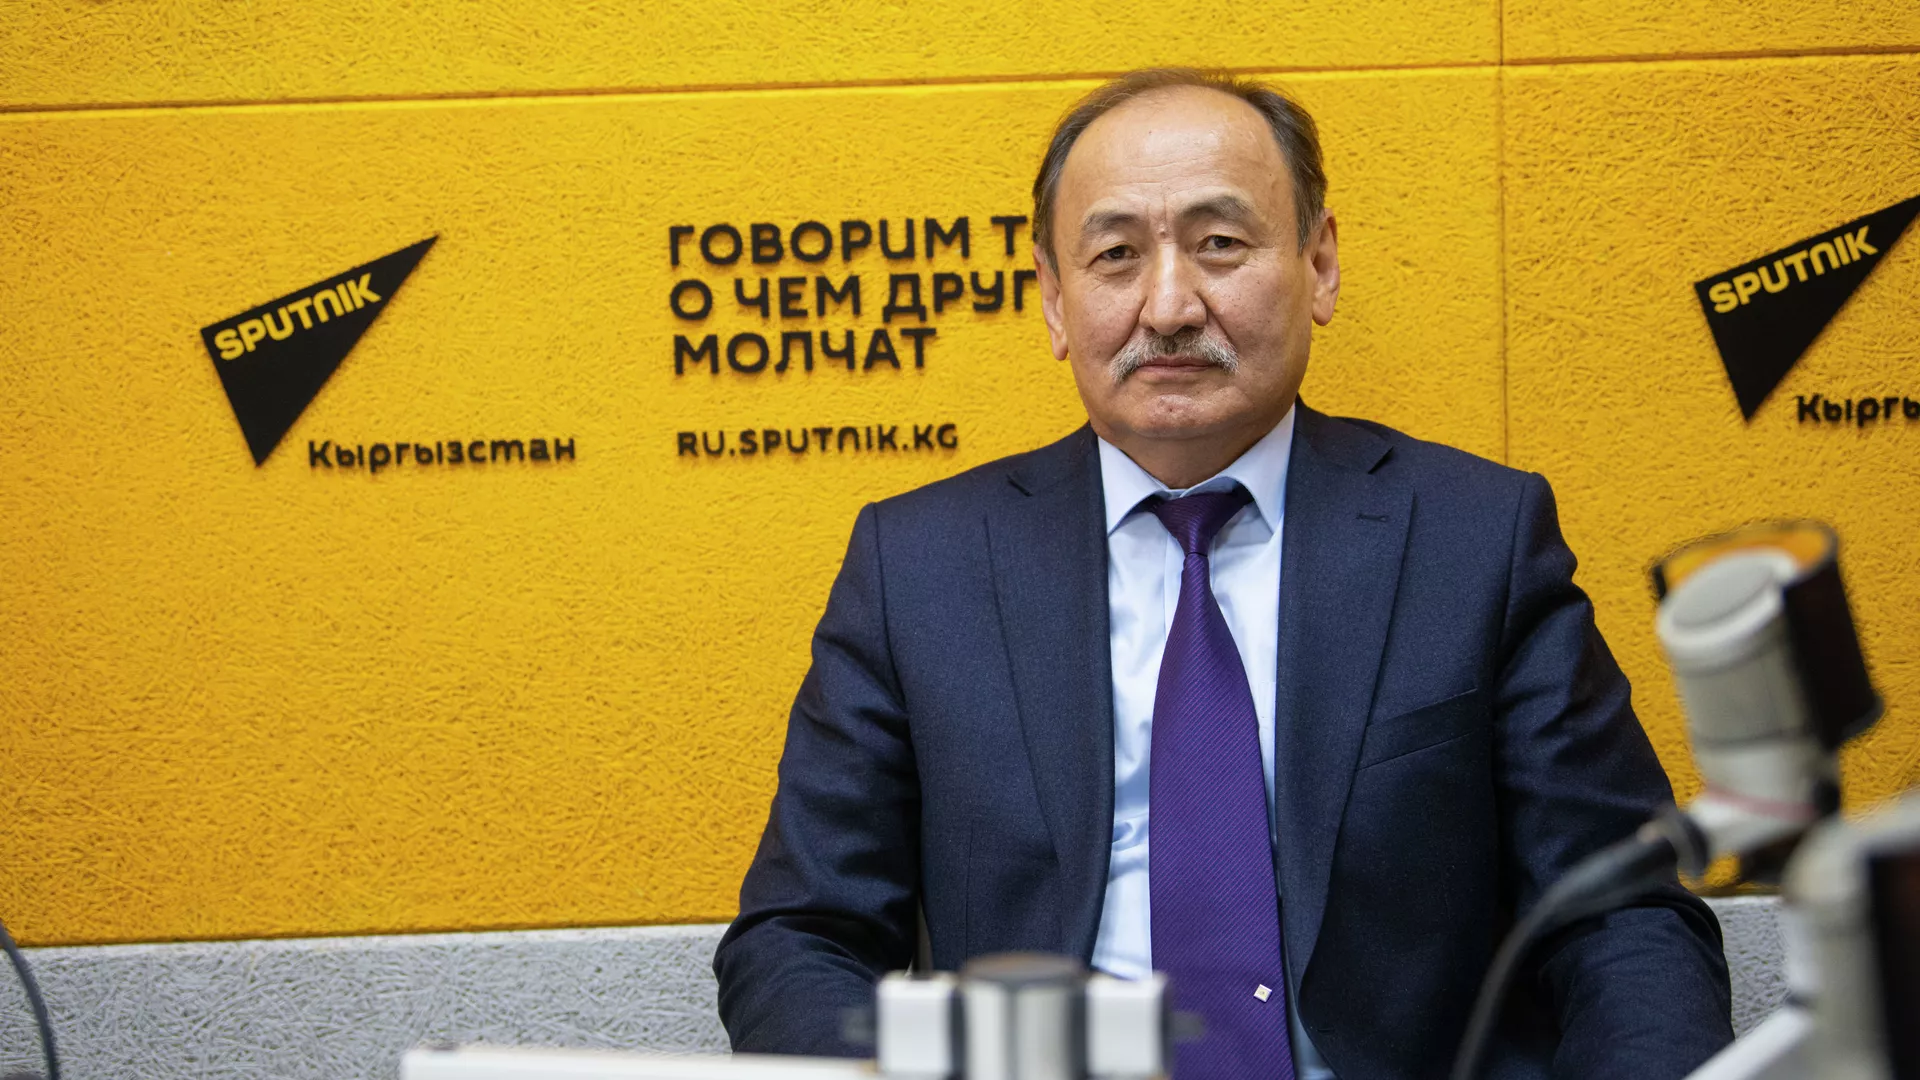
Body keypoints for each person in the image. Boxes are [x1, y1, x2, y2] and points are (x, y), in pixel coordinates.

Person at [714, 68, 1733, 1079]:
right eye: (1116, 255)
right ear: (1055, 300)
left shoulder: (1474, 539)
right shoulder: (918, 568)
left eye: (1219, 244)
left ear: (1319, 265)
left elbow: (1623, 916)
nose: (1168, 306)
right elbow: (802, 936)